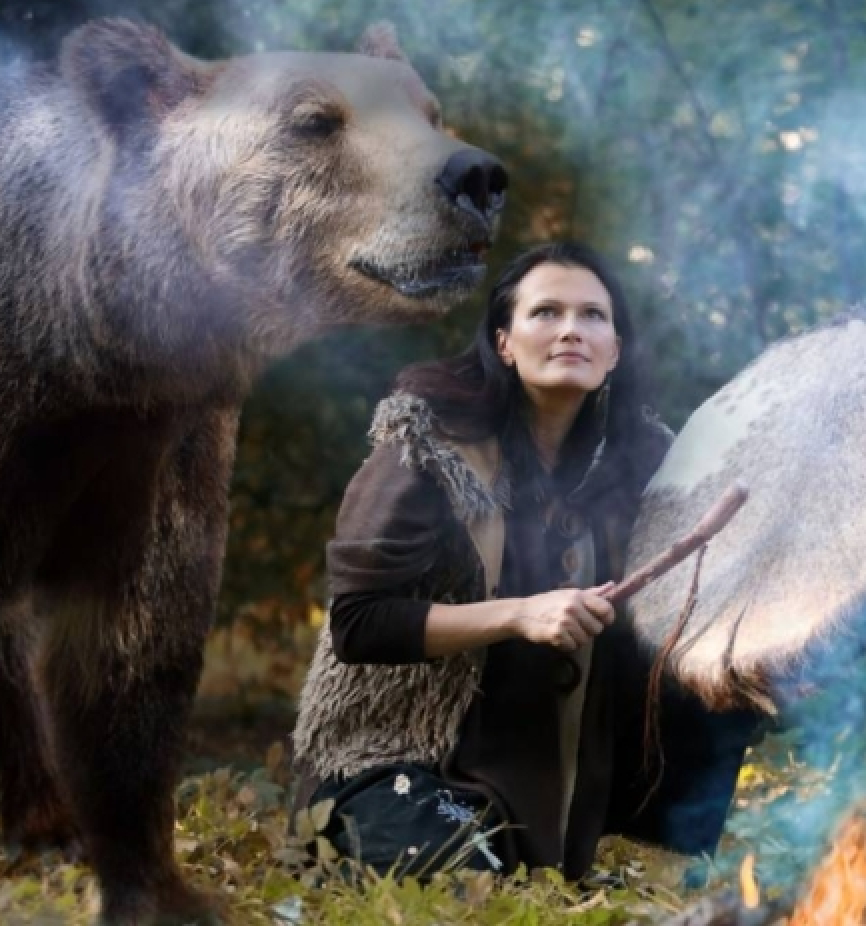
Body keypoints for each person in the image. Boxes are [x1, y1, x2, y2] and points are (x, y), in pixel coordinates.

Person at [291, 242, 762, 880]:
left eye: (593, 316)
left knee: (712, 666)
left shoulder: (648, 466)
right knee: (469, 880)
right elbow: (359, 624)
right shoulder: (428, 446)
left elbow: (699, 604)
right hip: (406, 761)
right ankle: (370, 833)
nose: (572, 328)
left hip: (559, 776)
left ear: (614, 350)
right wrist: (518, 614)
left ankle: (653, 849)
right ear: (504, 342)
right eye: (546, 312)